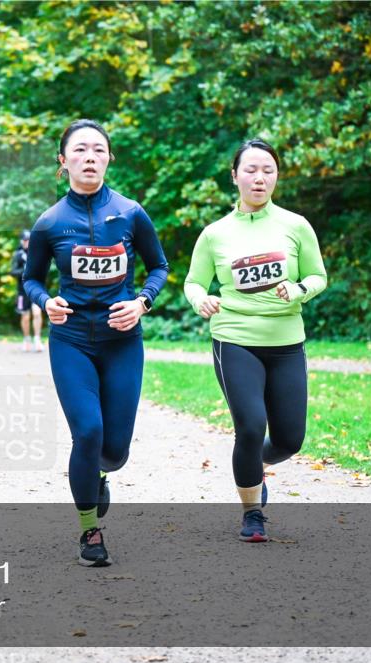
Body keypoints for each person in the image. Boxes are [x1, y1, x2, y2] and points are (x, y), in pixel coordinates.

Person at [23, 119, 169, 567]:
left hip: (122, 340)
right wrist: (47, 302)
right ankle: (90, 530)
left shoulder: (130, 213)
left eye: (99, 150)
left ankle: (99, 475)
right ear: (63, 161)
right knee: (87, 431)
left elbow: (159, 267)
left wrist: (141, 303)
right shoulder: (49, 223)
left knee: (114, 449)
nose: (90, 157)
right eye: (81, 150)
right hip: (70, 341)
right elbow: (30, 279)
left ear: (109, 159)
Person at [184, 138, 327, 543]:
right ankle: (253, 513)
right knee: (249, 427)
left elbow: (318, 276)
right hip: (234, 338)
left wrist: (299, 290)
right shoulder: (215, 234)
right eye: (250, 170)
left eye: (268, 170)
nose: (259, 178)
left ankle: (250, 466)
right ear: (234, 176)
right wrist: (201, 299)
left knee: (288, 440)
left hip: (286, 343)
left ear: (276, 176)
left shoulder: (296, 226)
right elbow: (194, 281)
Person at [11, 229, 44, 352]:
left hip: (36, 288)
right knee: (25, 316)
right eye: (25, 240)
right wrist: (24, 270)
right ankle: (26, 339)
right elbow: (12, 271)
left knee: (37, 313)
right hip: (22, 290)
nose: (27, 242)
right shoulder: (18, 254)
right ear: (21, 241)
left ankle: (37, 339)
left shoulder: (37, 252)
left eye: (29, 240)